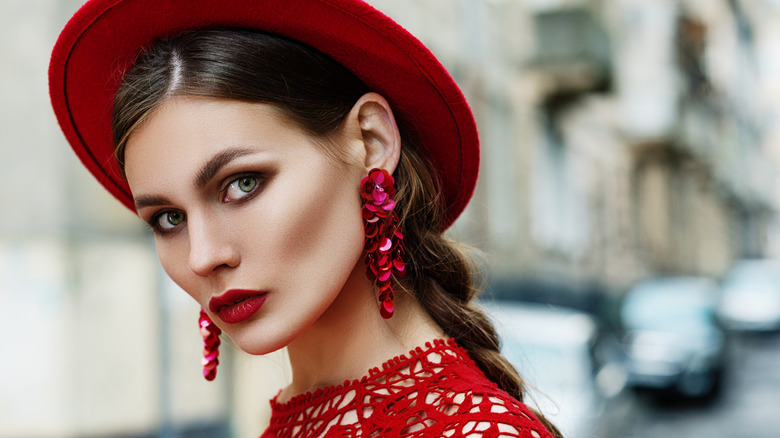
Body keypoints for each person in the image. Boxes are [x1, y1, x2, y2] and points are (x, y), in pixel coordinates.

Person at [49, 1, 562, 437]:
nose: (204, 256)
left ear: (371, 142)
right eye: (168, 219)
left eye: (242, 183)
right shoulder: (297, 417)